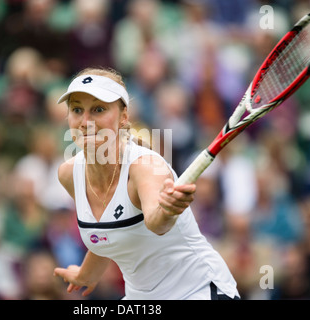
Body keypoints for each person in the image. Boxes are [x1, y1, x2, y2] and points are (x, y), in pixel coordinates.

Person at [53, 67, 239, 300]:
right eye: (77, 110)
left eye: (99, 109)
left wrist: (168, 209)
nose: (85, 121)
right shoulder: (69, 174)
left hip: (198, 291)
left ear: (124, 117)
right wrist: (86, 274)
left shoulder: (146, 166)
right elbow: (109, 231)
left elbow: (157, 224)